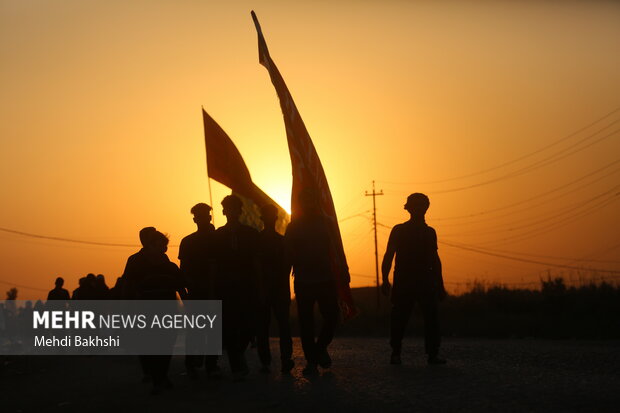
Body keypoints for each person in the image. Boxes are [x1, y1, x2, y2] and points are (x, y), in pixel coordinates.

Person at [381, 193, 447, 365]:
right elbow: (389, 255)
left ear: (426, 208)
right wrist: (384, 278)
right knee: (399, 318)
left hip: (426, 282)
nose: (418, 208)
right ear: (408, 208)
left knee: (431, 318)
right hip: (404, 281)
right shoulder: (399, 230)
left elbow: (435, 259)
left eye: (421, 205)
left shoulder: (429, 232)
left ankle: (433, 354)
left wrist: (440, 284)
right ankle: (396, 353)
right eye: (415, 205)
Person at [285, 190, 340, 375]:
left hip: (326, 277)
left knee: (333, 316)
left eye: (312, 199)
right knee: (306, 323)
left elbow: (337, 248)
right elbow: (288, 254)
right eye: (305, 200)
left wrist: (344, 270)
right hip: (303, 280)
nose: (309, 203)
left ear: (316, 201)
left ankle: (319, 349)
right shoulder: (293, 226)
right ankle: (312, 363)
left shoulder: (327, 223)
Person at [214, 195, 260, 381]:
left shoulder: (251, 234)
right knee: (231, 326)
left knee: (249, 326)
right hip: (226, 287)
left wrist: (259, 284)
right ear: (224, 211)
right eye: (228, 208)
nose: (231, 212)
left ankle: (239, 355)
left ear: (239, 211)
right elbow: (214, 264)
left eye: (234, 208)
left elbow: (257, 262)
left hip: (247, 286)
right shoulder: (218, 235)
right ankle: (237, 364)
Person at [178, 203, 220, 379]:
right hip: (196, 291)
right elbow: (183, 271)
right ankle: (192, 364)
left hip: (216, 290)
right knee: (195, 331)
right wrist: (186, 294)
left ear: (210, 217)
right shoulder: (188, 241)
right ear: (195, 219)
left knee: (213, 331)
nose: (203, 218)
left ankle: (210, 365)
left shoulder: (219, 239)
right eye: (199, 216)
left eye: (205, 215)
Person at [256, 204, 294, 374]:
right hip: (267, 289)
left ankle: (285, 359)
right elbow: (255, 267)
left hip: (278, 289)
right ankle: (267, 361)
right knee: (265, 327)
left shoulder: (281, 241)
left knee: (281, 326)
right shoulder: (261, 241)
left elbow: (287, 266)